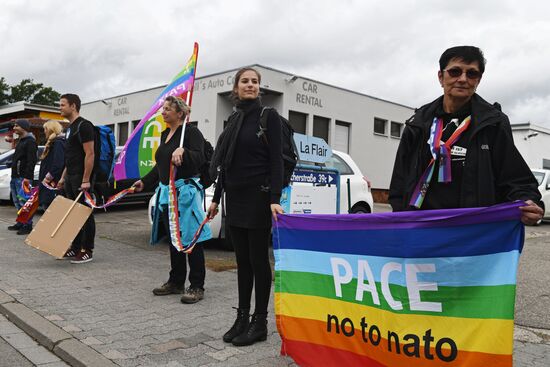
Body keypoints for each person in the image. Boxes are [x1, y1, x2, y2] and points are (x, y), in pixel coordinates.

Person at [389, 46, 543, 224]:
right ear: (441, 76)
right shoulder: (418, 123)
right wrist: (400, 220)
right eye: (455, 71)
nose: (462, 79)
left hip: (472, 232)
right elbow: (399, 182)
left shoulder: (493, 123)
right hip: (422, 229)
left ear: (479, 80)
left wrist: (527, 202)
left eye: (471, 74)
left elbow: (516, 178)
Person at [207, 67, 284, 347]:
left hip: (259, 198)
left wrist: (275, 197)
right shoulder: (234, 119)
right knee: (242, 263)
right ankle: (242, 317)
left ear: (259, 88)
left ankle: (260, 321)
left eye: (254, 82)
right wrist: (216, 198)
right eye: (245, 81)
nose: (250, 85)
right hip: (235, 199)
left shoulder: (269, 117)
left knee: (258, 261)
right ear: (236, 88)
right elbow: (226, 164)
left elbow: (276, 160)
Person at [133, 96, 211, 304]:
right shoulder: (165, 134)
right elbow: (161, 166)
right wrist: (144, 182)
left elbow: (200, 157)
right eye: (163, 108)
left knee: (192, 239)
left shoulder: (191, 132)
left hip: (185, 194)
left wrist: (184, 151)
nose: (163, 112)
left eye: (168, 109)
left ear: (180, 113)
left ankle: (196, 286)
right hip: (167, 194)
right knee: (174, 240)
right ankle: (176, 281)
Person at [57, 94, 96, 264]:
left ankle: (87, 250)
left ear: (73, 106)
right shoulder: (69, 128)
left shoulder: (84, 126)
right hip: (71, 176)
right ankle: (75, 247)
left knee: (85, 213)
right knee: (73, 214)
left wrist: (86, 179)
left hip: (81, 177)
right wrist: (62, 177)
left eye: (62, 104)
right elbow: (70, 155)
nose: (60, 107)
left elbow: (90, 153)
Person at [7, 119, 38, 235]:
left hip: (23, 177)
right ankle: (20, 222)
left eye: (16, 125)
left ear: (24, 127)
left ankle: (27, 225)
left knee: (24, 202)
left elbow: (32, 160)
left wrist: (27, 177)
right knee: (17, 201)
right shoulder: (21, 140)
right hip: (15, 176)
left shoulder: (30, 141)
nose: (14, 127)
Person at [38, 120, 66, 209]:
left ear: (50, 129)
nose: (44, 131)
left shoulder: (58, 142)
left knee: (51, 211)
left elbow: (58, 163)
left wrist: (47, 178)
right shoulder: (54, 143)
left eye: (45, 129)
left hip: (52, 185)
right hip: (49, 185)